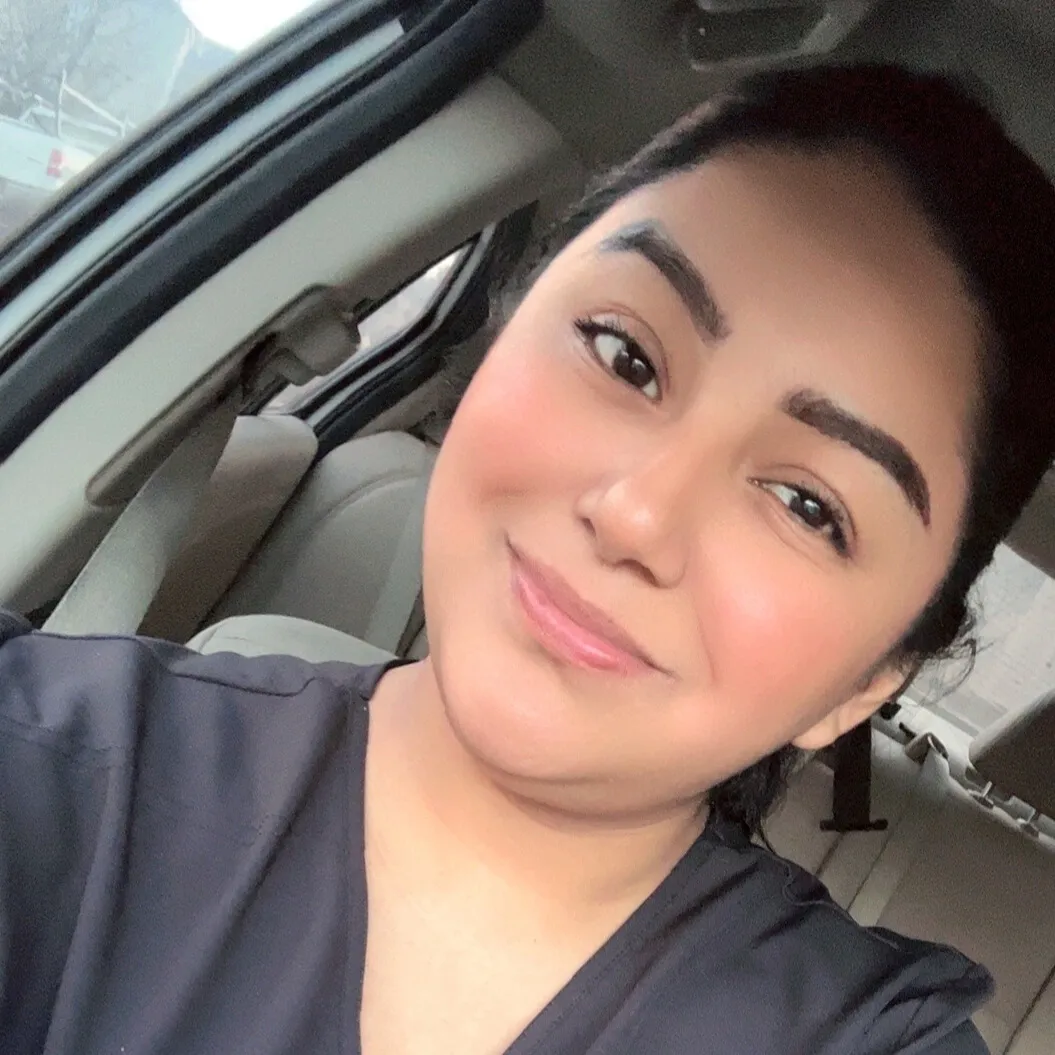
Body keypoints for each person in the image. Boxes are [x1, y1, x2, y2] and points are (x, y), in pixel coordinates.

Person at [2, 63, 1055, 1055]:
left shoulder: (858, 1035)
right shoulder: (57, 764)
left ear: (868, 681)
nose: (635, 513)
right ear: (505, 330)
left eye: (805, 505)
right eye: (623, 355)